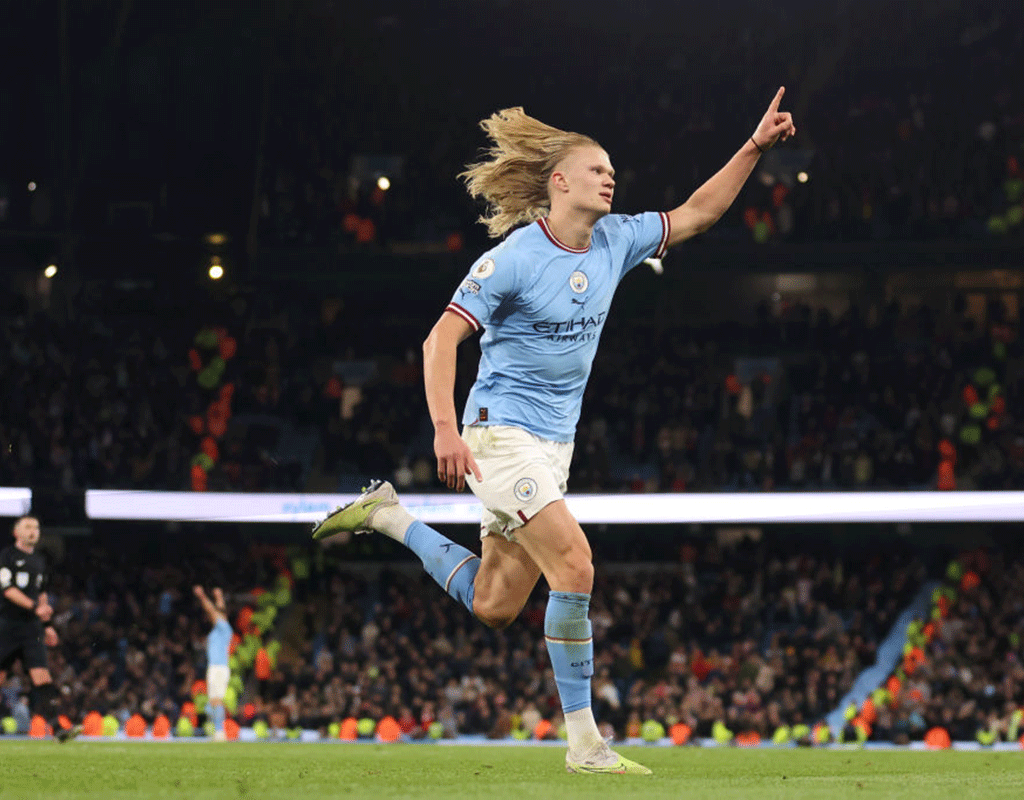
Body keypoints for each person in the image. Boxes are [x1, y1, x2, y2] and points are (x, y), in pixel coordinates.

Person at [313, 90, 795, 774]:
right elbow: (439, 341)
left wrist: (752, 148)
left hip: (552, 445)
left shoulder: (619, 238)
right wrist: (446, 431)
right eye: (596, 168)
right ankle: (586, 745)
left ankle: (389, 517)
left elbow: (697, 214)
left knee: (495, 604)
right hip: (496, 432)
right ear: (559, 182)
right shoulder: (513, 259)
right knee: (575, 565)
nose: (610, 176)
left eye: (612, 169)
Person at [0, 516, 79, 742]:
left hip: (31, 628)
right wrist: (35, 608)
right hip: (7, 626)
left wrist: (48, 625)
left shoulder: (40, 561)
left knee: (42, 675)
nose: (33, 531)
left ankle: (57, 729)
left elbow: (41, 594)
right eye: (28, 527)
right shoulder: (7, 556)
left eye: (36, 527)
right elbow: (8, 590)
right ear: (16, 532)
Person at [193, 585, 234, 742]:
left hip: (218, 667)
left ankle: (219, 731)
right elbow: (219, 611)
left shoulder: (223, 627)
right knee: (213, 701)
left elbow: (213, 611)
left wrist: (202, 595)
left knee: (215, 701)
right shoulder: (222, 628)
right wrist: (218, 596)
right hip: (216, 667)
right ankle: (217, 729)